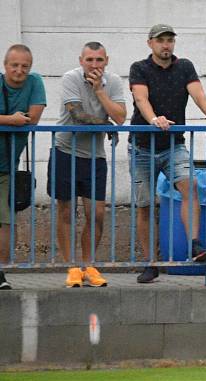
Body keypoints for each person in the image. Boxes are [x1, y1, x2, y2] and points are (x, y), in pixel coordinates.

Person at [129, 24, 206, 284]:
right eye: (161, 40)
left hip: (173, 144)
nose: (166, 45)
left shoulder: (184, 66)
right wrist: (153, 119)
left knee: (190, 186)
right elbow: (141, 99)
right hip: (142, 145)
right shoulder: (139, 68)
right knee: (145, 206)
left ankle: (195, 245)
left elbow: (199, 94)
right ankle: (151, 263)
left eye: (170, 40)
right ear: (150, 43)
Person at [50, 41, 126, 288]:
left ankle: (88, 265)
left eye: (99, 60)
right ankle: (70, 267)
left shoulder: (113, 81)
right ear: (81, 60)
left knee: (97, 215)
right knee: (66, 212)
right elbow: (77, 115)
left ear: (107, 60)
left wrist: (100, 91)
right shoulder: (70, 78)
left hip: (95, 157)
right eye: (90, 60)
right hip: (66, 151)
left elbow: (121, 117)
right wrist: (106, 126)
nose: (94, 65)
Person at [0, 44, 46, 290]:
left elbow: (34, 117)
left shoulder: (35, 82)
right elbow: (22, 119)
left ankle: (1, 272)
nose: (19, 71)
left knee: (5, 220)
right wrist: (11, 120)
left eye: (24, 66)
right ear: (5, 65)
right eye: (14, 65)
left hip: (6, 165)